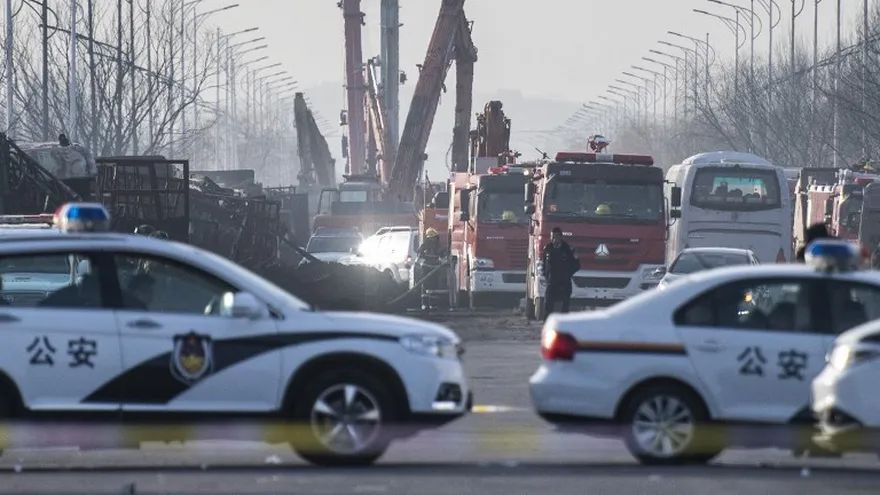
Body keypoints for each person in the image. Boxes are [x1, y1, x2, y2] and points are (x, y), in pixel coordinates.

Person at [542, 227, 580, 319]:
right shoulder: (547, 249)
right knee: (548, 306)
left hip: (564, 283)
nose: (554, 239)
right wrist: (546, 276)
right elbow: (544, 265)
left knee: (564, 308)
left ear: (560, 237)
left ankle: (563, 327)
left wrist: (567, 275)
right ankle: (547, 325)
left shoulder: (568, 250)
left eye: (556, 237)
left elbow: (576, 265)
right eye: (552, 237)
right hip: (551, 282)